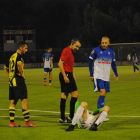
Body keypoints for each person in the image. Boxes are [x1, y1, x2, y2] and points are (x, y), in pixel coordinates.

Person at [4, 41, 38, 127]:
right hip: (18, 81)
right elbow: (19, 64)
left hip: (11, 81)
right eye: (25, 48)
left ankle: (12, 122)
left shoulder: (12, 56)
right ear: (21, 48)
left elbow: (5, 67)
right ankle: (27, 121)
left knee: (13, 101)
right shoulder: (19, 56)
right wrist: (21, 73)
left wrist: (10, 76)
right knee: (24, 100)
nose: (26, 50)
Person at [88, 37, 118, 119]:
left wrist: (116, 73)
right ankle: (100, 115)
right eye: (102, 43)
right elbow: (90, 62)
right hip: (98, 75)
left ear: (108, 43)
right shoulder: (96, 50)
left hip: (106, 76)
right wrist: (91, 74)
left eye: (105, 43)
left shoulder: (111, 52)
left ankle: (98, 113)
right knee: (102, 92)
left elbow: (113, 63)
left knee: (104, 95)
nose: (103, 44)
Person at [58, 38, 81, 123]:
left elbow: (68, 64)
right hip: (66, 75)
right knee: (75, 94)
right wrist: (65, 76)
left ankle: (62, 118)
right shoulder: (67, 51)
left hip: (68, 74)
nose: (77, 49)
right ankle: (71, 117)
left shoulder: (70, 51)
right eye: (76, 46)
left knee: (64, 95)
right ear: (72, 43)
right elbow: (60, 63)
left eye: (78, 47)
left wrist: (72, 74)